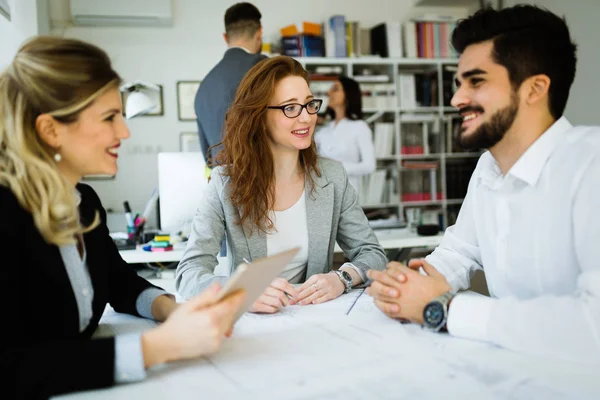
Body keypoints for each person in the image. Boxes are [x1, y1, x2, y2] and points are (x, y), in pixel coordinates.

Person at [0, 36, 246, 400]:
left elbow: (120, 282)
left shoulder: (85, 202)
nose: (125, 132)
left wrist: (173, 310)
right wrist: (157, 348)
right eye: (109, 118)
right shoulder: (6, 214)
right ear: (50, 130)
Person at [367, 5, 600, 365]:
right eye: (459, 83)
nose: (456, 99)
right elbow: (460, 251)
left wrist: (444, 308)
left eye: (476, 81)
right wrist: (407, 285)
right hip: (514, 366)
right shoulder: (489, 166)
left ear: (535, 88)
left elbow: (593, 322)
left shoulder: (591, 165)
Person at [177, 56, 387, 312]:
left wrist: (341, 278)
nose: (307, 118)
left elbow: (373, 254)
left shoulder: (332, 176)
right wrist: (241, 291)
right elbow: (188, 273)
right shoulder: (225, 183)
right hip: (253, 329)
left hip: (317, 320)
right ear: (259, 116)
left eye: (309, 105)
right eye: (290, 108)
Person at [194, 2, 267, 161]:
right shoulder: (262, 68)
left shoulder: (204, 86)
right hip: (262, 177)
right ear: (259, 33)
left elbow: (208, 156)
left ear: (225, 37)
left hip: (222, 182)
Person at [315, 76, 376, 192]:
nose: (329, 92)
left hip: (348, 196)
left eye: (335, 89)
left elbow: (369, 166)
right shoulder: (323, 132)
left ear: (348, 94)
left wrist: (336, 168)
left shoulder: (359, 127)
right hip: (323, 195)